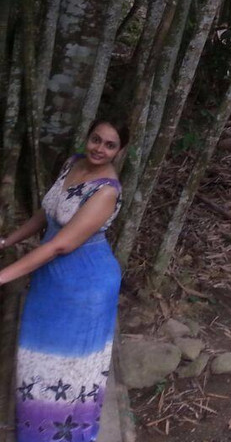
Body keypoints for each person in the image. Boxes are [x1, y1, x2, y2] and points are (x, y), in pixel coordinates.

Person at [0, 119, 127, 442]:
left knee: (69, 366)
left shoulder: (106, 190)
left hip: (85, 285)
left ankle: (62, 435)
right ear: (87, 137)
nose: (99, 148)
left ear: (119, 151)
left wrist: (3, 276)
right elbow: (47, 213)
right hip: (51, 277)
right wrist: (7, 242)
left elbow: (61, 244)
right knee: (37, 357)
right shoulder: (73, 162)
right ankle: (34, 429)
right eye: (96, 139)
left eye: (110, 145)